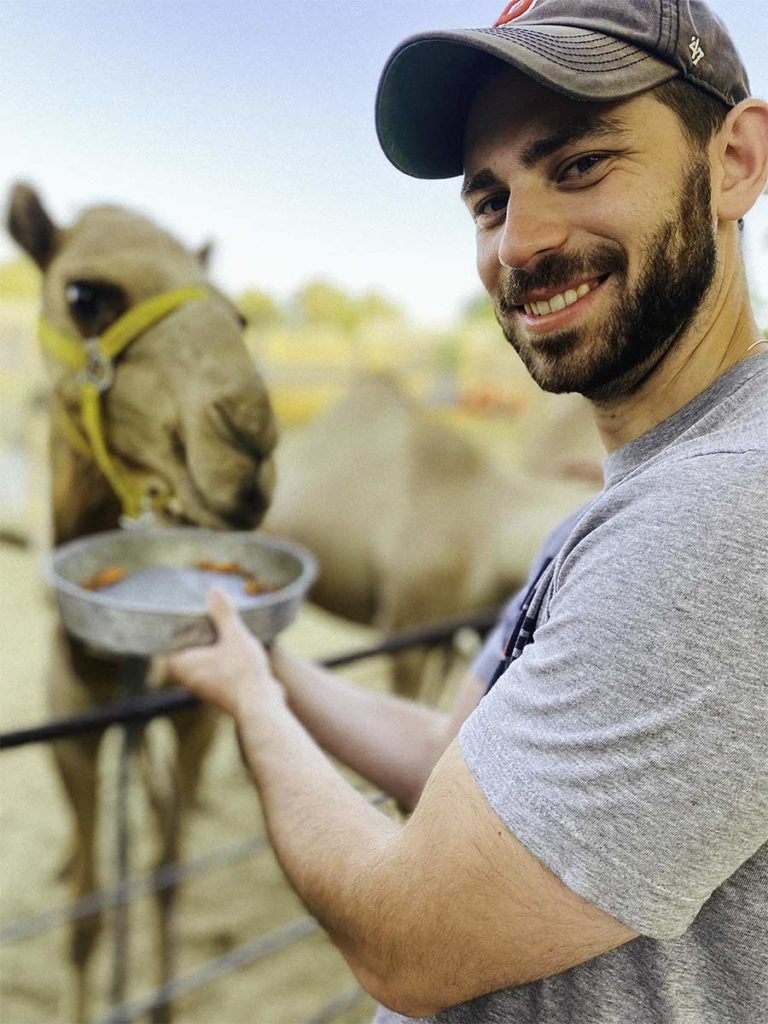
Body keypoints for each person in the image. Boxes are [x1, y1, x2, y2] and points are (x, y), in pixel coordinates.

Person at [168, 1, 768, 1020]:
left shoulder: (727, 510)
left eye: (578, 165)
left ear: (736, 161)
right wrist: (260, 660)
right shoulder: (627, 503)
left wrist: (258, 714)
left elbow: (407, 937)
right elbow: (461, 758)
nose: (520, 244)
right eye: (489, 201)